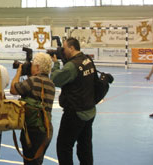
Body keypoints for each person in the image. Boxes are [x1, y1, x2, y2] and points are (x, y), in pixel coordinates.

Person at [51, 37, 96, 165]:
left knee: (63, 147)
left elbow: (55, 79)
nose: (62, 51)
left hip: (75, 112)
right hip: (89, 110)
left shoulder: (72, 66)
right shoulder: (87, 60)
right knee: (85, 147)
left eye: (64, 48)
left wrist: (55, 64)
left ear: (71, 48)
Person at [10, 53, 56, 165]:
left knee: (30, 161)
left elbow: (13, 89)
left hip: (32, 130)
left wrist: (18, 73)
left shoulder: (33, 81)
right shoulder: (51, 84)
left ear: (37, 67)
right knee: (37, 161)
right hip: (46, 129)